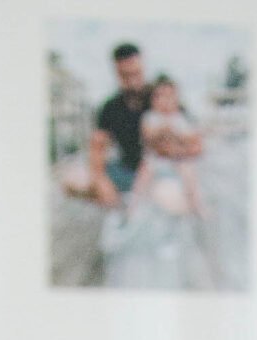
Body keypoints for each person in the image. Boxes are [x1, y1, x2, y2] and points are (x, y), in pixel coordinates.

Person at [85, 41, 202, 211]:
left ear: (142, 66)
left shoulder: (162, 97)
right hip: (127, 170)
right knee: (74, 179)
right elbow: (97, 147)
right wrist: (100, 180)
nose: (132, 80)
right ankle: (120, 207)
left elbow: (197, 144)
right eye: (125, 75)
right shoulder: (110, 106)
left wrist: (173, 152)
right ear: (116, 72)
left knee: (170, 200)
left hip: (162, 170)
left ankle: (151, 205)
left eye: (135, 73)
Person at [133, 74, 205, 218]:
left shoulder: (180, 118)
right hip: (154, 159)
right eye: (159, 97)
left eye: (170, 96)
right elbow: (148, 136)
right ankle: (134, 206)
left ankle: (197, 204)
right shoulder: (150, 117)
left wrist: (178, 135)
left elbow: (191, 138)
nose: (165, 101)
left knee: (189, 173)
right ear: (153, 100)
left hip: (178, 160)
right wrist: (163, 129)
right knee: (143, 175)